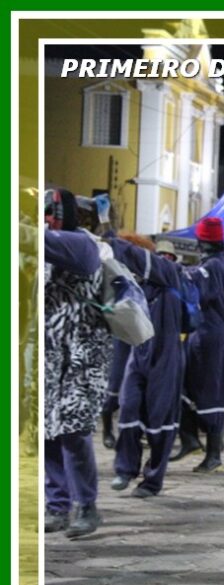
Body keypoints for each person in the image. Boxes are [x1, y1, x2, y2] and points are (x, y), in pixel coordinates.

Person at [43, 198, 112, 538]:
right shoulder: (46, 249)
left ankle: (87, 506)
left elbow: (32, 238)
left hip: (84, 355)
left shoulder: (84, 245)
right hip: (51, 353)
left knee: (73, 429)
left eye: (49, 212)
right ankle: (57, 506)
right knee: (49, 429)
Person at [105, 232, 185, 498]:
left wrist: (113, 242)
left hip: (166, 357)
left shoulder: (170, 275)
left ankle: (152, 480)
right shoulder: (131, 285)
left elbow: (139, 257)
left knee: (160, 419)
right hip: (138, 355)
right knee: (128, 408)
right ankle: (125, 469)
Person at [173, 217, 224, 473]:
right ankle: (189, 439)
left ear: (202, 242)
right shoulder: (219, 264)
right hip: (204, 335)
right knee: (183, 385)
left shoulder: (212, 267)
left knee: (211, 391)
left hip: (211, 337)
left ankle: (213, 454)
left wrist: (169, 270)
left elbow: (195, 288)